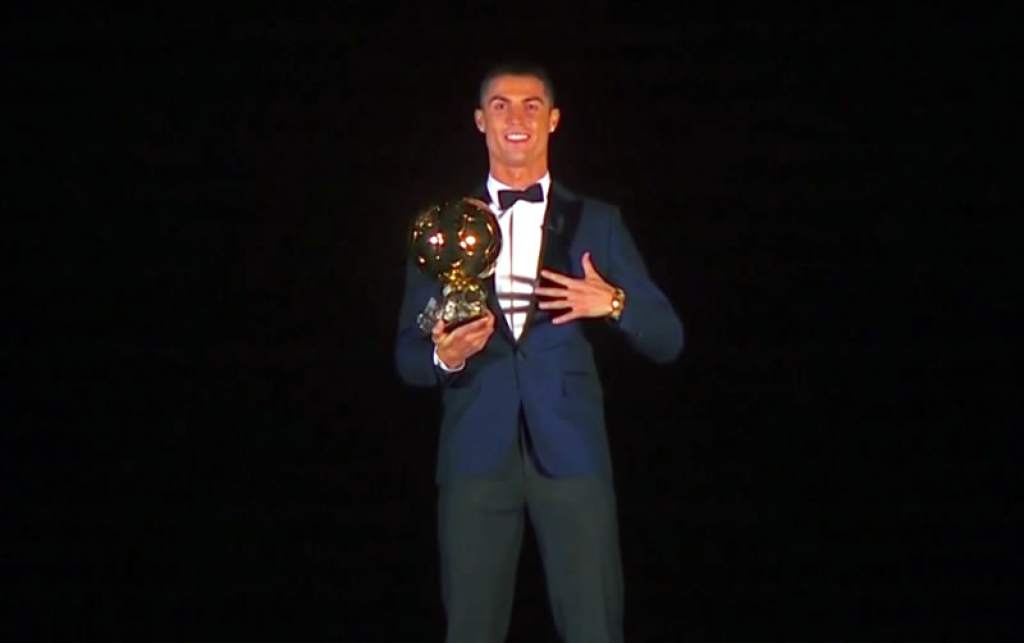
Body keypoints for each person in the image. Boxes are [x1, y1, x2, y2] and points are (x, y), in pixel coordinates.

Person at [394, 61, 684, 643]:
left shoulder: (598, 222)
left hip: (573, 458)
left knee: (593, 628)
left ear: (553, 119)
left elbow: (668, 338)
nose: (517, 118)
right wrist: (447, 357)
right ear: (480, 121)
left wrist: (614, 303)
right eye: (500, 105)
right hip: (475, 459)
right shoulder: (443, 230)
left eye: (532, 105)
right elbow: (407, 357)